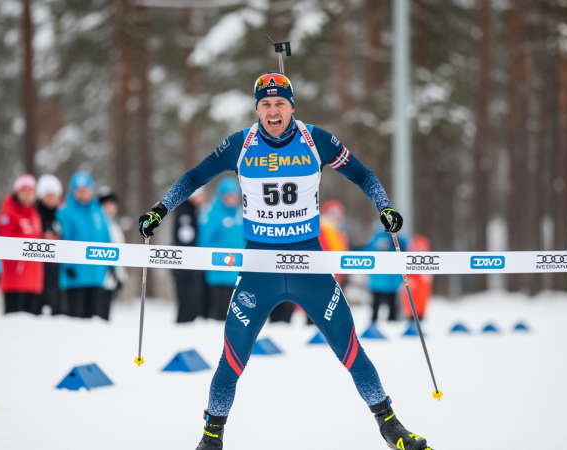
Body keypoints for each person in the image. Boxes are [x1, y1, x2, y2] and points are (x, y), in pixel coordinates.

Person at [138, 71, 432, 450]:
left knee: (351, 349)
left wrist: (385, 208)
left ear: (291, 107)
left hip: (310, 266)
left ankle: (392, 429)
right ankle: (211, 439)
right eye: (265, 105)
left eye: (280, 104)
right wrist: (160, 210)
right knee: (231, 359)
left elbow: (362, 174)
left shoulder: (316, 140)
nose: (273, 112)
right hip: (260, 270)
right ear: (257, 109)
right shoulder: (240, 144)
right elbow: (195, 177)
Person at [57, 172, 111, 319]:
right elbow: (62, 242)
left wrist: (113, 266)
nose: (83, 193)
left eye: (86, 189)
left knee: (95, 321)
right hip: (75, 276)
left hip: (97, 275)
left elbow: (107, 239)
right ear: (73, 191)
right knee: (75, 321)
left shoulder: (98, 211)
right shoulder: (64, 212)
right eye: (79, 190)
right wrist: (66, 266)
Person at [197, 178, 245, 320]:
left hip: (238, 270)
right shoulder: (211, 213)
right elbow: (204, 241)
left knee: (236, 313)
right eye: (228, 195)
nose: (232, 199)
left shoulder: (241, 213)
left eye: (234, 195)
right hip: (219, 271)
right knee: (220, 311)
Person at [0, 174, 44, 314]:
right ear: (17, 192)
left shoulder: (35, 215)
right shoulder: (8, 213)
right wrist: (27, 237)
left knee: (31, 328)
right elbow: (4, 242)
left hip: (34, 280)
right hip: (15, 280)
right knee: (13, 325)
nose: (28, 196)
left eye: (31, 192)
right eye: (24, 192)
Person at [171, 187, 209, 323]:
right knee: (187, 299)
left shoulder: (190, 210)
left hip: (186, 262)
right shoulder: (185, 212)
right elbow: (185, 237)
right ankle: (184, 325)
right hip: (185, 263)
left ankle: (186, 322)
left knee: (190, 299)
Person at [361, 228, 408, 322]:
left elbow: (367, 251)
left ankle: (373, 325)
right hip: (392, 281)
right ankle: (391, 325)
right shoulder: (397, 239)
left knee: (375, 306)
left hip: (377, 280)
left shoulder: (376, 237)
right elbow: (405, 249)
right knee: (392, 307)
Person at [36, 174, 64, 315]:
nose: (51, 199)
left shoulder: (61, 214)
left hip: (57, 268)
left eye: (54, 195)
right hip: (38, 266)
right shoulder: (35, 212)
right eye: (47, 195)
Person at [97, 186, 126, 320]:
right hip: (98, 278)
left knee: (105, 315)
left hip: (112, 278)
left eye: (111, 204)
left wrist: (120, 276)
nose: (108, 208)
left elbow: (121, 253)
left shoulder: (115, 227)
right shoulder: (97, 224)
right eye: (105, 204)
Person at [400, 235, 433, 321]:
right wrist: (408, 278)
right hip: (412, 285)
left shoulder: (428, 258)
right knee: (411, 304)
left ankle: (420, 318)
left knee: (421, 304)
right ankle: (411, 318)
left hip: (422, 288)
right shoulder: (409, 257)